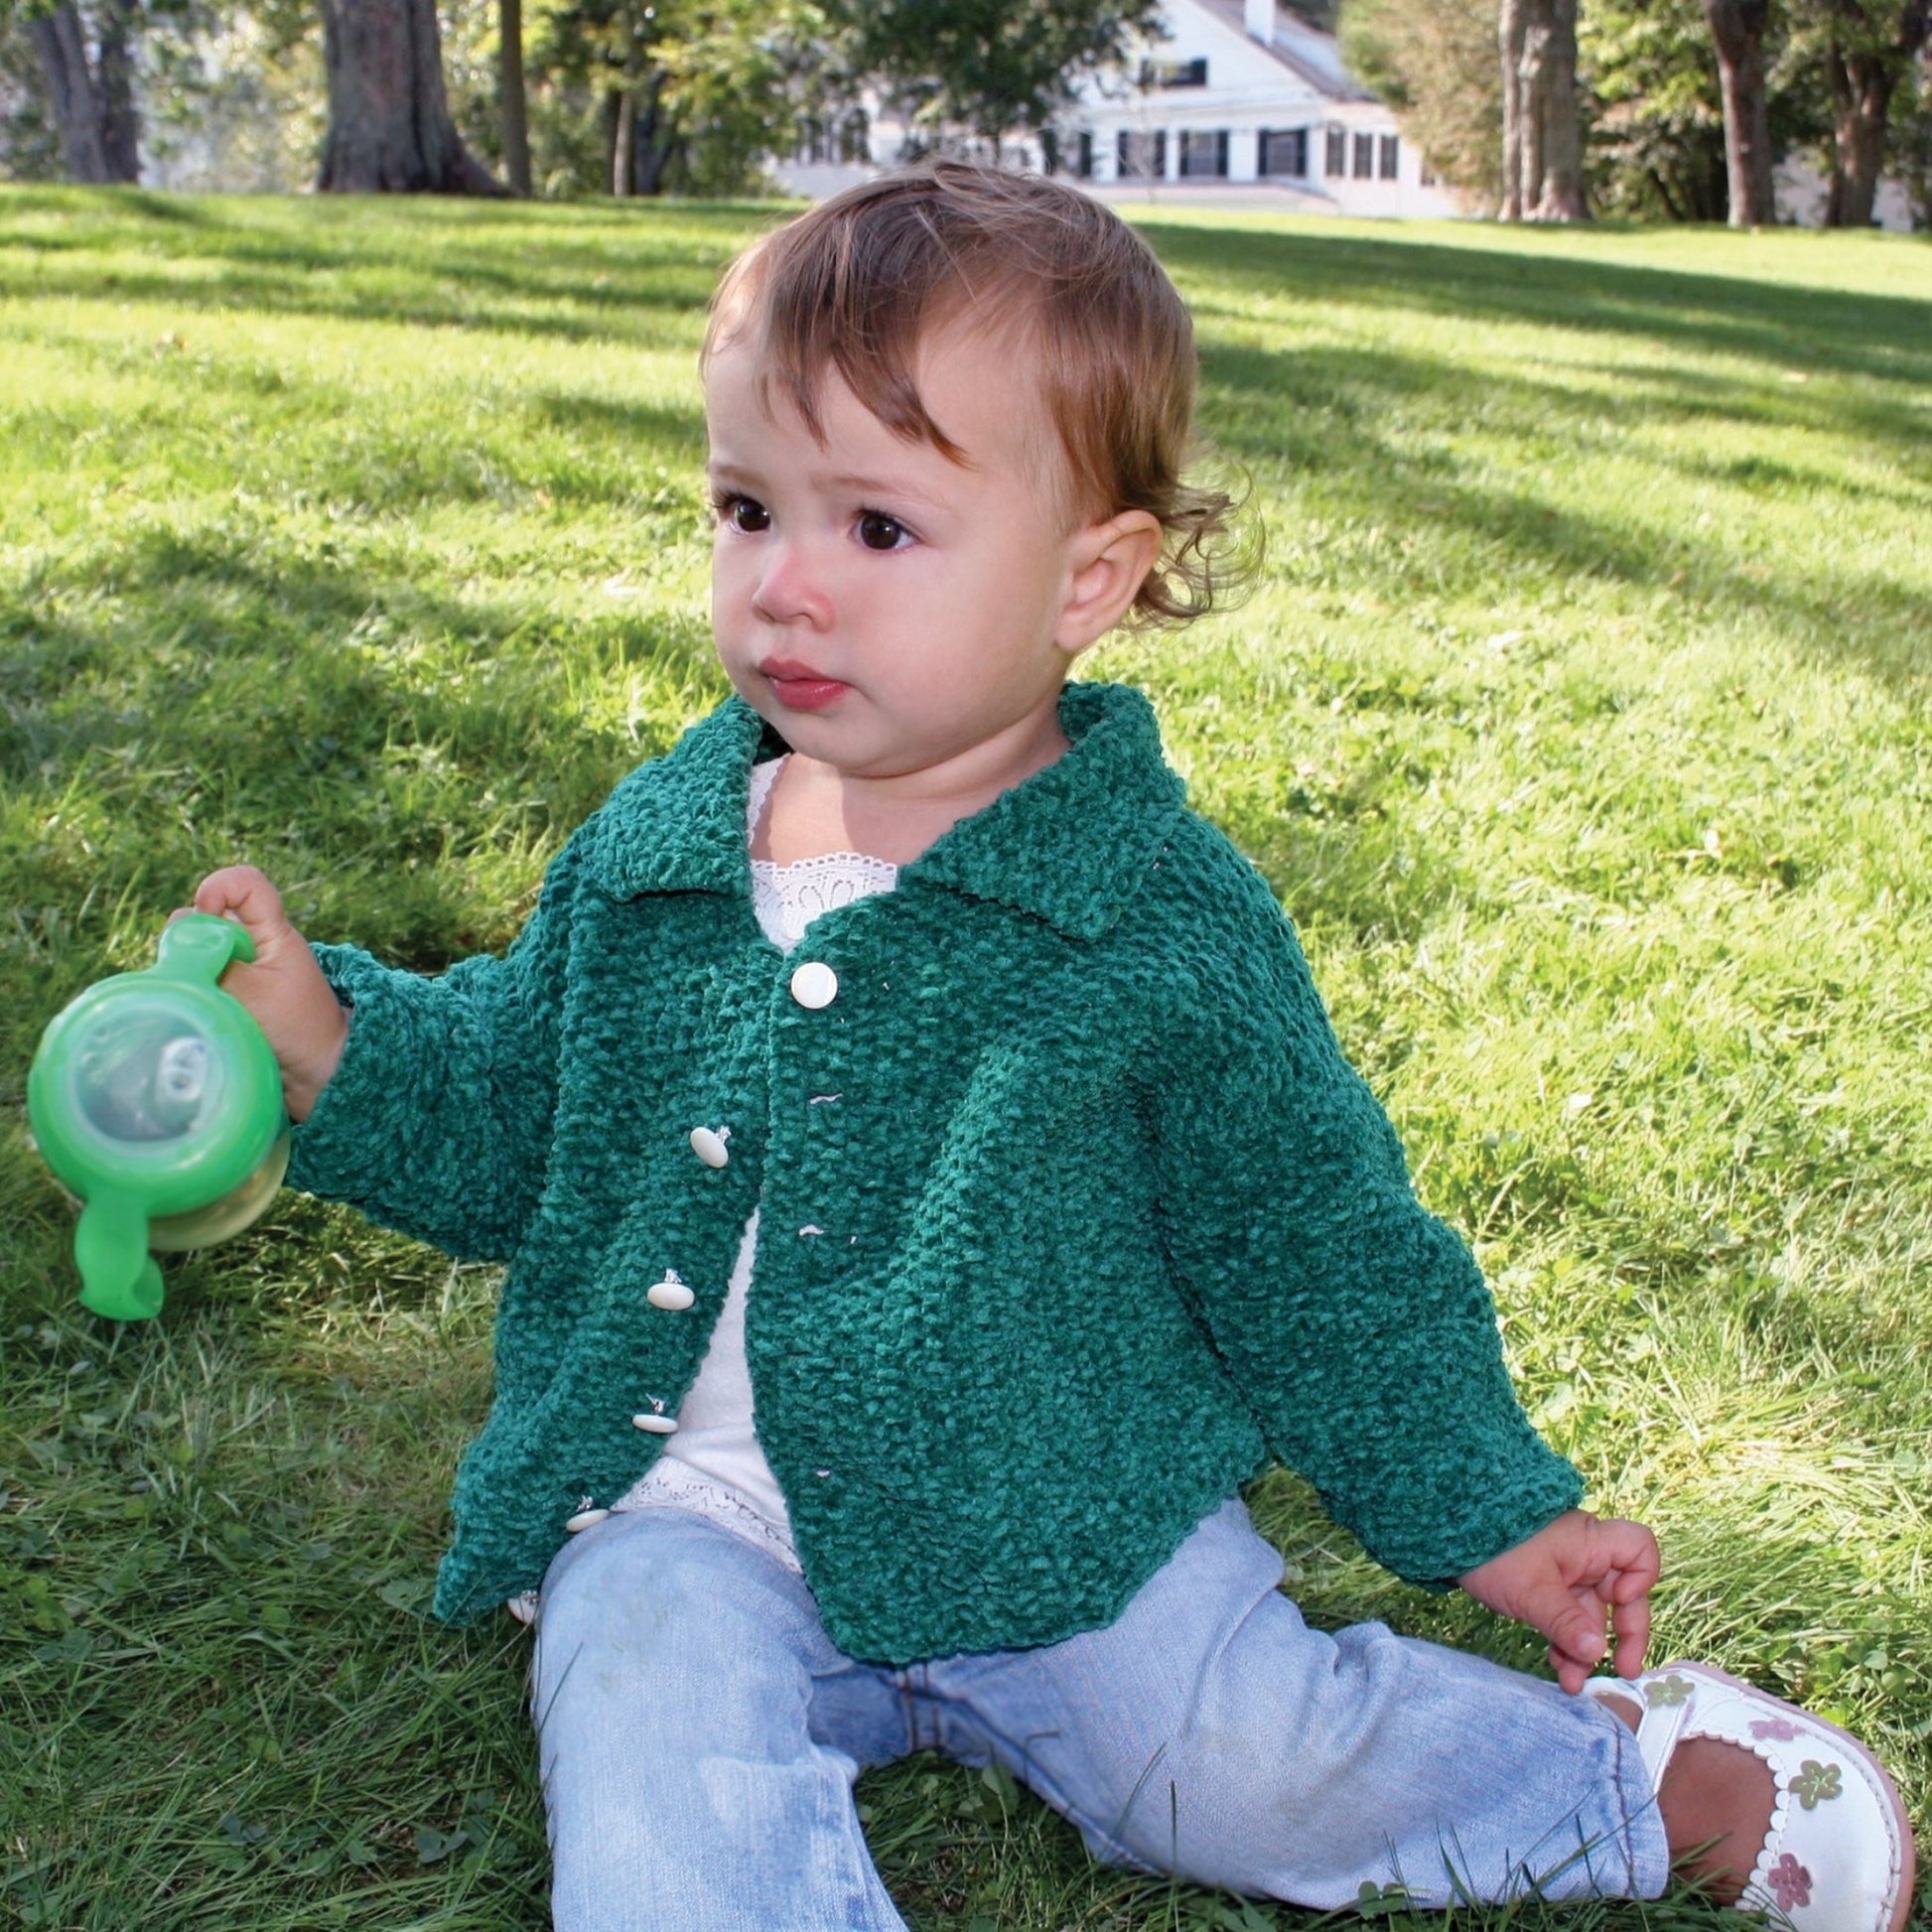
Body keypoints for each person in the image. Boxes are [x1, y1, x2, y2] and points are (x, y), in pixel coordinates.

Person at [189, 164, 1914, 1932]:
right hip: (692, 1517)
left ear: (1091, 577)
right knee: (642, 1725)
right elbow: (516, 1110)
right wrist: (327, 1038)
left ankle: (1604, 1784)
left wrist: (1487, 1509)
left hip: (1068, 1525)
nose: (784, 585)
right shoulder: (658, 853)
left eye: (876, 529)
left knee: (1233, 1757)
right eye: (743, 507)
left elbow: (1313, 1248)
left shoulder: (1151, 919)